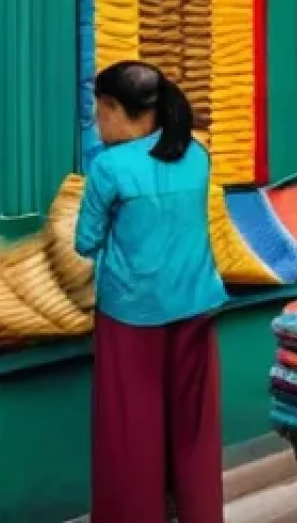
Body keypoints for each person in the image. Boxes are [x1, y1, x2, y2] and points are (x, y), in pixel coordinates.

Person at [75, 61, 227, 523]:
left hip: (132, 317)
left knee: (132, 434)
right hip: (196, 308)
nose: (96, 121)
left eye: (99, 110)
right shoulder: (197, 155)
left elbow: (85, 242)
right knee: (193, 434)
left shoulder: (109, 167)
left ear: (117, 108)